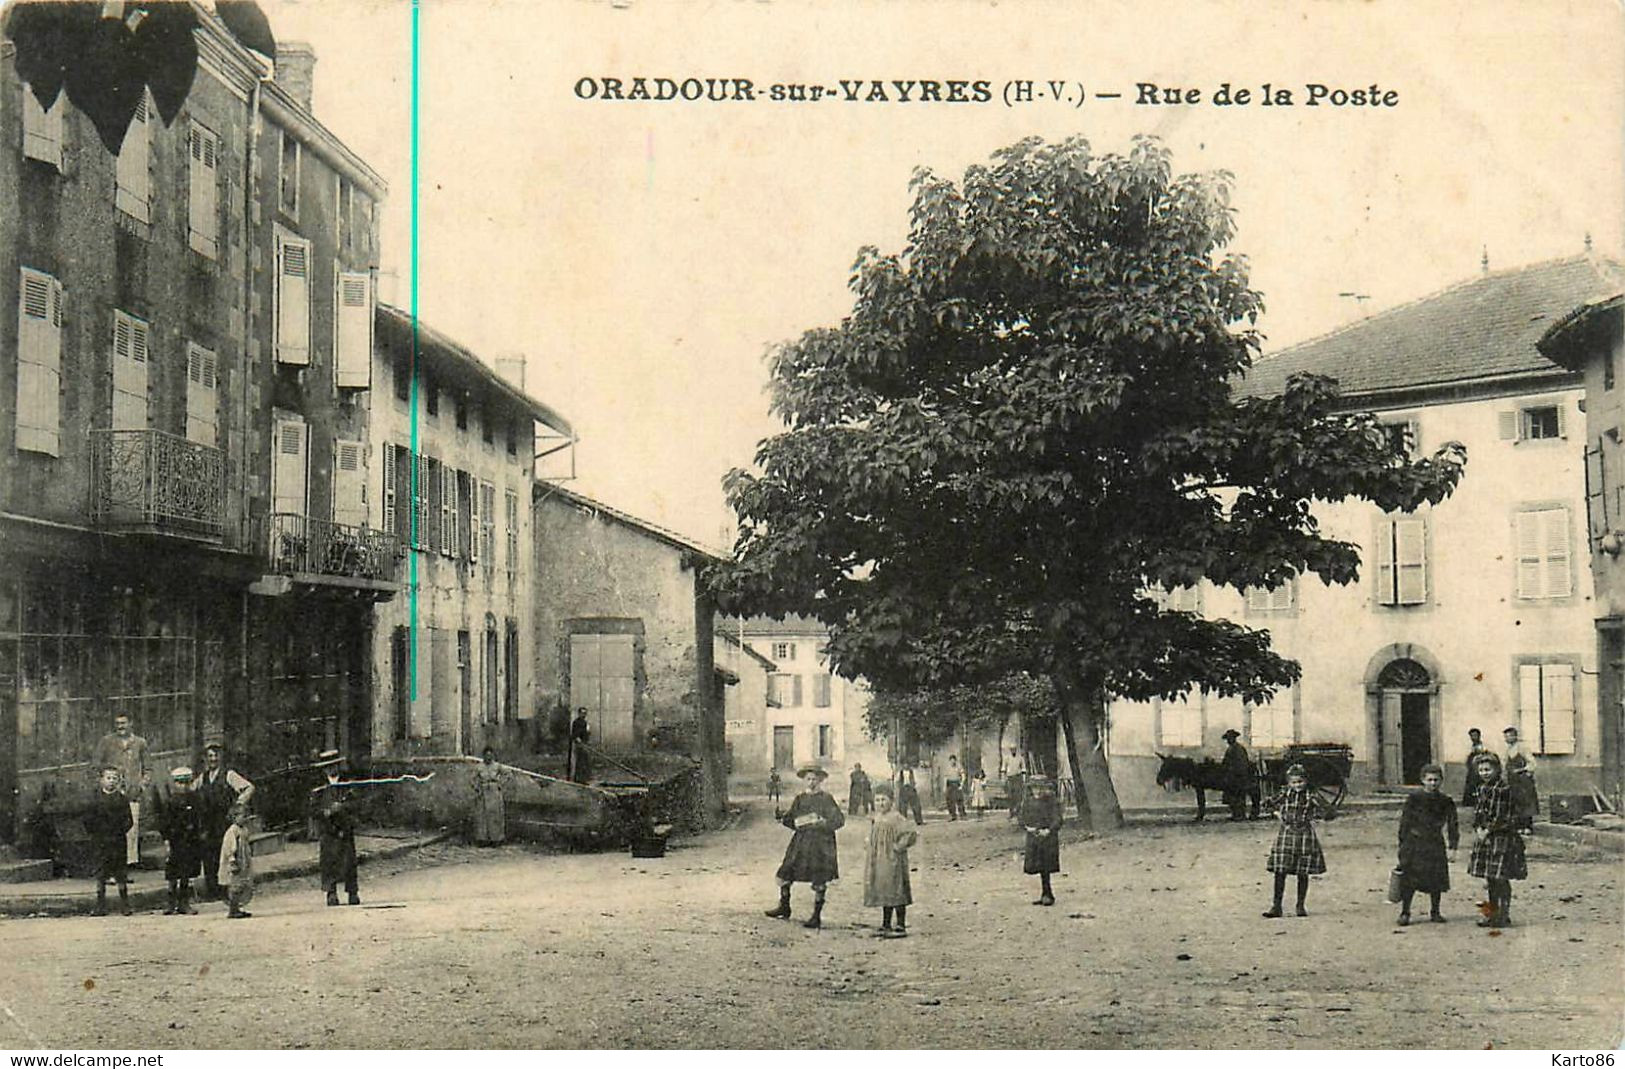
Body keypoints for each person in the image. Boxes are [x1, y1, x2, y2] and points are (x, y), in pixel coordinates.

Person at [764, 764, 845, 929]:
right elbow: (790, 819)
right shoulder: (800, 799)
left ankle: (816, 916)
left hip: (821, 845)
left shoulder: (826, 799)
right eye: (808, 779)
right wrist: (785, 818)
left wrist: (824, 822)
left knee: (819, 878)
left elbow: (839, 820)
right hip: (801, 842)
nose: (811, 782)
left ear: (821, 780)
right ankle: (784, 906)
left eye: (815, 779)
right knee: (786, 872)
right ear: (804, 781)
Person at [1262, 763, 1332, 918]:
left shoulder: (1311, 796)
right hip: (1286, 834)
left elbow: (1329, 811)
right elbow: (1267, 804)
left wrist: (1315, 816)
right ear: (1288, 783)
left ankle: (1300, 906)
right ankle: (1276, 906)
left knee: (1303, 871)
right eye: (1294, 782)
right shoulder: (1284, 793)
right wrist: (1277, 814)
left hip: (1304, 835)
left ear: (1306, 781)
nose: (1297, 785)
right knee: (1280, 870)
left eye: (1300, 782)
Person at [1468, 751, 1526, 929]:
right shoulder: (1481, 789)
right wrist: (1478, 828)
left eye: (1488, 769)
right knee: (1490, 877)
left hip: (1501, 837)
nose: (1484, 773)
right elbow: (1478, 813)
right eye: (1481, 770)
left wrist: (1488, 830)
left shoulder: (1503, 790)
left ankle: (1504, 914)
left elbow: (1502, 815)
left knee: (1501, 877)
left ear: (1496, 770)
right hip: (1485, 837)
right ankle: (1492, 913)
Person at [1395, 763, 1458, 925]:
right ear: (1422, 780)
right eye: (1429, 780)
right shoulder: (1414, 799)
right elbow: (1405, 822)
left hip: (1435, 843)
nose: (1433, 783)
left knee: (1436, 878)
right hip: (1415, 843)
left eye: (1436, 780)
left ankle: (1435, 911)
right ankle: (1405, 912)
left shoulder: (1446, 801)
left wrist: (1453, 846)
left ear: (1441, 781)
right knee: (1409, 879)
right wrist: (1403, 844)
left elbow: (1453, 824)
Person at [195, 743, 254, 901]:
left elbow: (248, 788)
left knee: (227, 854)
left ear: (221, 757)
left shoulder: (229, 775)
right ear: (205, 759)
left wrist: (238, 805)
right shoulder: (203, 777)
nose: (213, 759)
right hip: (209, 822)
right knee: (210, 855)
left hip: (224, 820)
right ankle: (212, 889)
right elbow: (193, 790)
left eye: (216, 755)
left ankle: (228, 890)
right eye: (210, 756)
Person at [92, 713, 149, 867]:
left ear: (131, 723)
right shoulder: (106, 742)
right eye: (117, 723)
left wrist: (142, 785)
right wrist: (104, 783)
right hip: (112, 794)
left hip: (132, 793)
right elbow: (96, 765)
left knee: (131, 829)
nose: (120, 726)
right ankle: (110, 867)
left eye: (123, 723)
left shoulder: (139, 743)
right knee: (111, 832)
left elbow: (147, 768)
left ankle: (127, 865)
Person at [863, 783, 917, 938]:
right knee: (884, 888)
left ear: (891, 801)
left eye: (884, 800)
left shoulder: (896, 817)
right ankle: (886, 923)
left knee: (896, 887)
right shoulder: (876, 817)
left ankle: (900, 924)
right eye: (877, 800)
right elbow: (873, 833)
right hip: (879, 859)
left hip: (893, 858)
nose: (880, 803)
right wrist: (869, 842)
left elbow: (910, 833)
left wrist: (898, 847)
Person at [86, 766, 133, 916]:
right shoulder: (95, 799)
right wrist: (96, 833)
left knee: (120, 873)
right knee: (101, 873)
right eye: (108, 778)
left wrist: (119, 831)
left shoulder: (122, 799)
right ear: (101, 780)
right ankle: (100, 905)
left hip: (118, 841)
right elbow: (88, 820)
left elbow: (129, 820)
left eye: (115, 778)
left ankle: (125, 904)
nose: (111, 781)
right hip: (100, 841)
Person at [159, 766, 204, 916]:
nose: (183, 787)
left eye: (186, 783)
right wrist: (166, 841)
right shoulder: (170, 802)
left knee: (186, 872)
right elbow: (164, 823)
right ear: (174, 784)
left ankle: (184, 903)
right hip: (175, 841)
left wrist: (198, 834)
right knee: (173, 873)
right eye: (179, 783)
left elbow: (198, 819)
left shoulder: (195, 799)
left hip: (190, 840)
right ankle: (171, 903)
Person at [312, 769, 360, 907]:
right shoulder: (319, 785)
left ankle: (352, 892)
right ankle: (331, 893)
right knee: (328, 862)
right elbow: (312, 808)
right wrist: (325, 812)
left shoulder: (347, 782)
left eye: (334, 765)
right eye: (328, 766)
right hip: (328, 829)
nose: (331, 769)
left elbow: (356, 803)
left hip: (345, 828)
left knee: (349, 861)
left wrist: (342, 807)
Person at [1020, 775, 1062, 906]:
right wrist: (1028, 827)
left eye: (1039, 788)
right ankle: (1045, 893)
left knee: (1046, 866)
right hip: (1034, 837)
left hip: (1047, 838)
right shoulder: (1028, 801)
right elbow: (1021, 818)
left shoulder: (1051, 801)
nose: (1037, 791)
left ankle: (1048, 894)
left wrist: (1049, 830)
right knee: (1037, 866)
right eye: (1034, 788)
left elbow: (1058, 819)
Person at [219, 803, 255, 919]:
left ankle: (238, 908)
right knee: (235, 885)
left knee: (242, 884)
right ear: (234, 817)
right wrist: (232, 861)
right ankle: (233, 909)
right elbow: (229, 848)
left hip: (244, 860)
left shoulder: (244, 829)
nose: (245, 819)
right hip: (236, 860)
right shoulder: (232, 831)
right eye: (242, 816)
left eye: (246, 816)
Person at [1502, 726, 1538, 832]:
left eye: (1509, 736)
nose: (1507, 739)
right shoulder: (1508, 750)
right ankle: (1519, 826)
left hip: (1523, 780)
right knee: (1516, 802)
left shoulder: (1522, 748)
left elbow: (1532, 763)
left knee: (1526, 802)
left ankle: (1527, 826)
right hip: (1513, 781)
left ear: (1515, 736)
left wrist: (1523, 770)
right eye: (1505, 737)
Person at [472, 747, 508, 846]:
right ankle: (482, 839)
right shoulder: (479, 767)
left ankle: (496, 839)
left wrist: (500, 784)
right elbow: (472, 779)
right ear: (483, 756)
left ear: (493, 755)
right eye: (486, 755)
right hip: (483, 791)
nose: (488, 757)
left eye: (490, 755)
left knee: (495, 815)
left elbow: (508, 774)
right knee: (482, 817)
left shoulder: (497, 766)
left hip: (494, 792)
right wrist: (477, 788)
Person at [1220, 728, 1252, 822]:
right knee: (1233, 797)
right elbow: (1225, 762)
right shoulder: (1231, 749)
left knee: (1239, 796)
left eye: (1230, 738)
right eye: (1228, 739)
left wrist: (1234, 773)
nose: (1228, 740)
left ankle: (1240, 815)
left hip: (1238, 777)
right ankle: (1235, 814)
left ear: (1234, 738)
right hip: (1233, 777)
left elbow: (1242, 763)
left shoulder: (1238, 749)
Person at [1461, 727, 1488, 808]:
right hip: (1472, 770)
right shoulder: (1470, 746)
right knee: (1470, 785)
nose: (1473, 738)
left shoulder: (1483, 746)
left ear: (1479, 736)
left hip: (1479, 769)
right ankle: (1470, 803)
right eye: (1472, 736)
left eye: (1475, 735)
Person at [569, 708, 593, 783]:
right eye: (582, 713)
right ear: (579, 714)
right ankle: (577, 778)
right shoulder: (576, 722)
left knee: (586, 761)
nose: (583, 715)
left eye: (585, 713)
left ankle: (585, 778)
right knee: (578, 761)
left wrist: (588, 733)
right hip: (578, 744)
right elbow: (574, 734)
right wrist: (577, 739)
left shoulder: (585, 723)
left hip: (584, 744)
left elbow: (587, 734)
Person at [1005, 748, 1026, 821]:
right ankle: (1011, 813)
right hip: (1010, 778)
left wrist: (1023, 779)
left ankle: (1018, 813)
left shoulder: (1020, 758)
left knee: (1018, 796)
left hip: (1018, 777)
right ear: (1010, 750)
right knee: (1010, 796)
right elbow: (1004, 768)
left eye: (1014, 750)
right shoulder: (1007, 758)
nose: (1013, 751)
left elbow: (1023, 768)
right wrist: (1005, 778)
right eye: (1012, 750)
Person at [943, 755, 967, 821]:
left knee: (959, 800)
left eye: (953, 760)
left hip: (957, 784)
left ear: (955, 761)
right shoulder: (947, 768)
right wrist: (944, 786)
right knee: (950, 801)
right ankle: (952, 815)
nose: (952, 762)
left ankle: (962, 815)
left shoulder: (959, 767)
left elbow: (963, 776)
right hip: (950, 784)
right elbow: (945, 778)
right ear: (949, 761)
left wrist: (961, 784)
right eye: (951, 761)